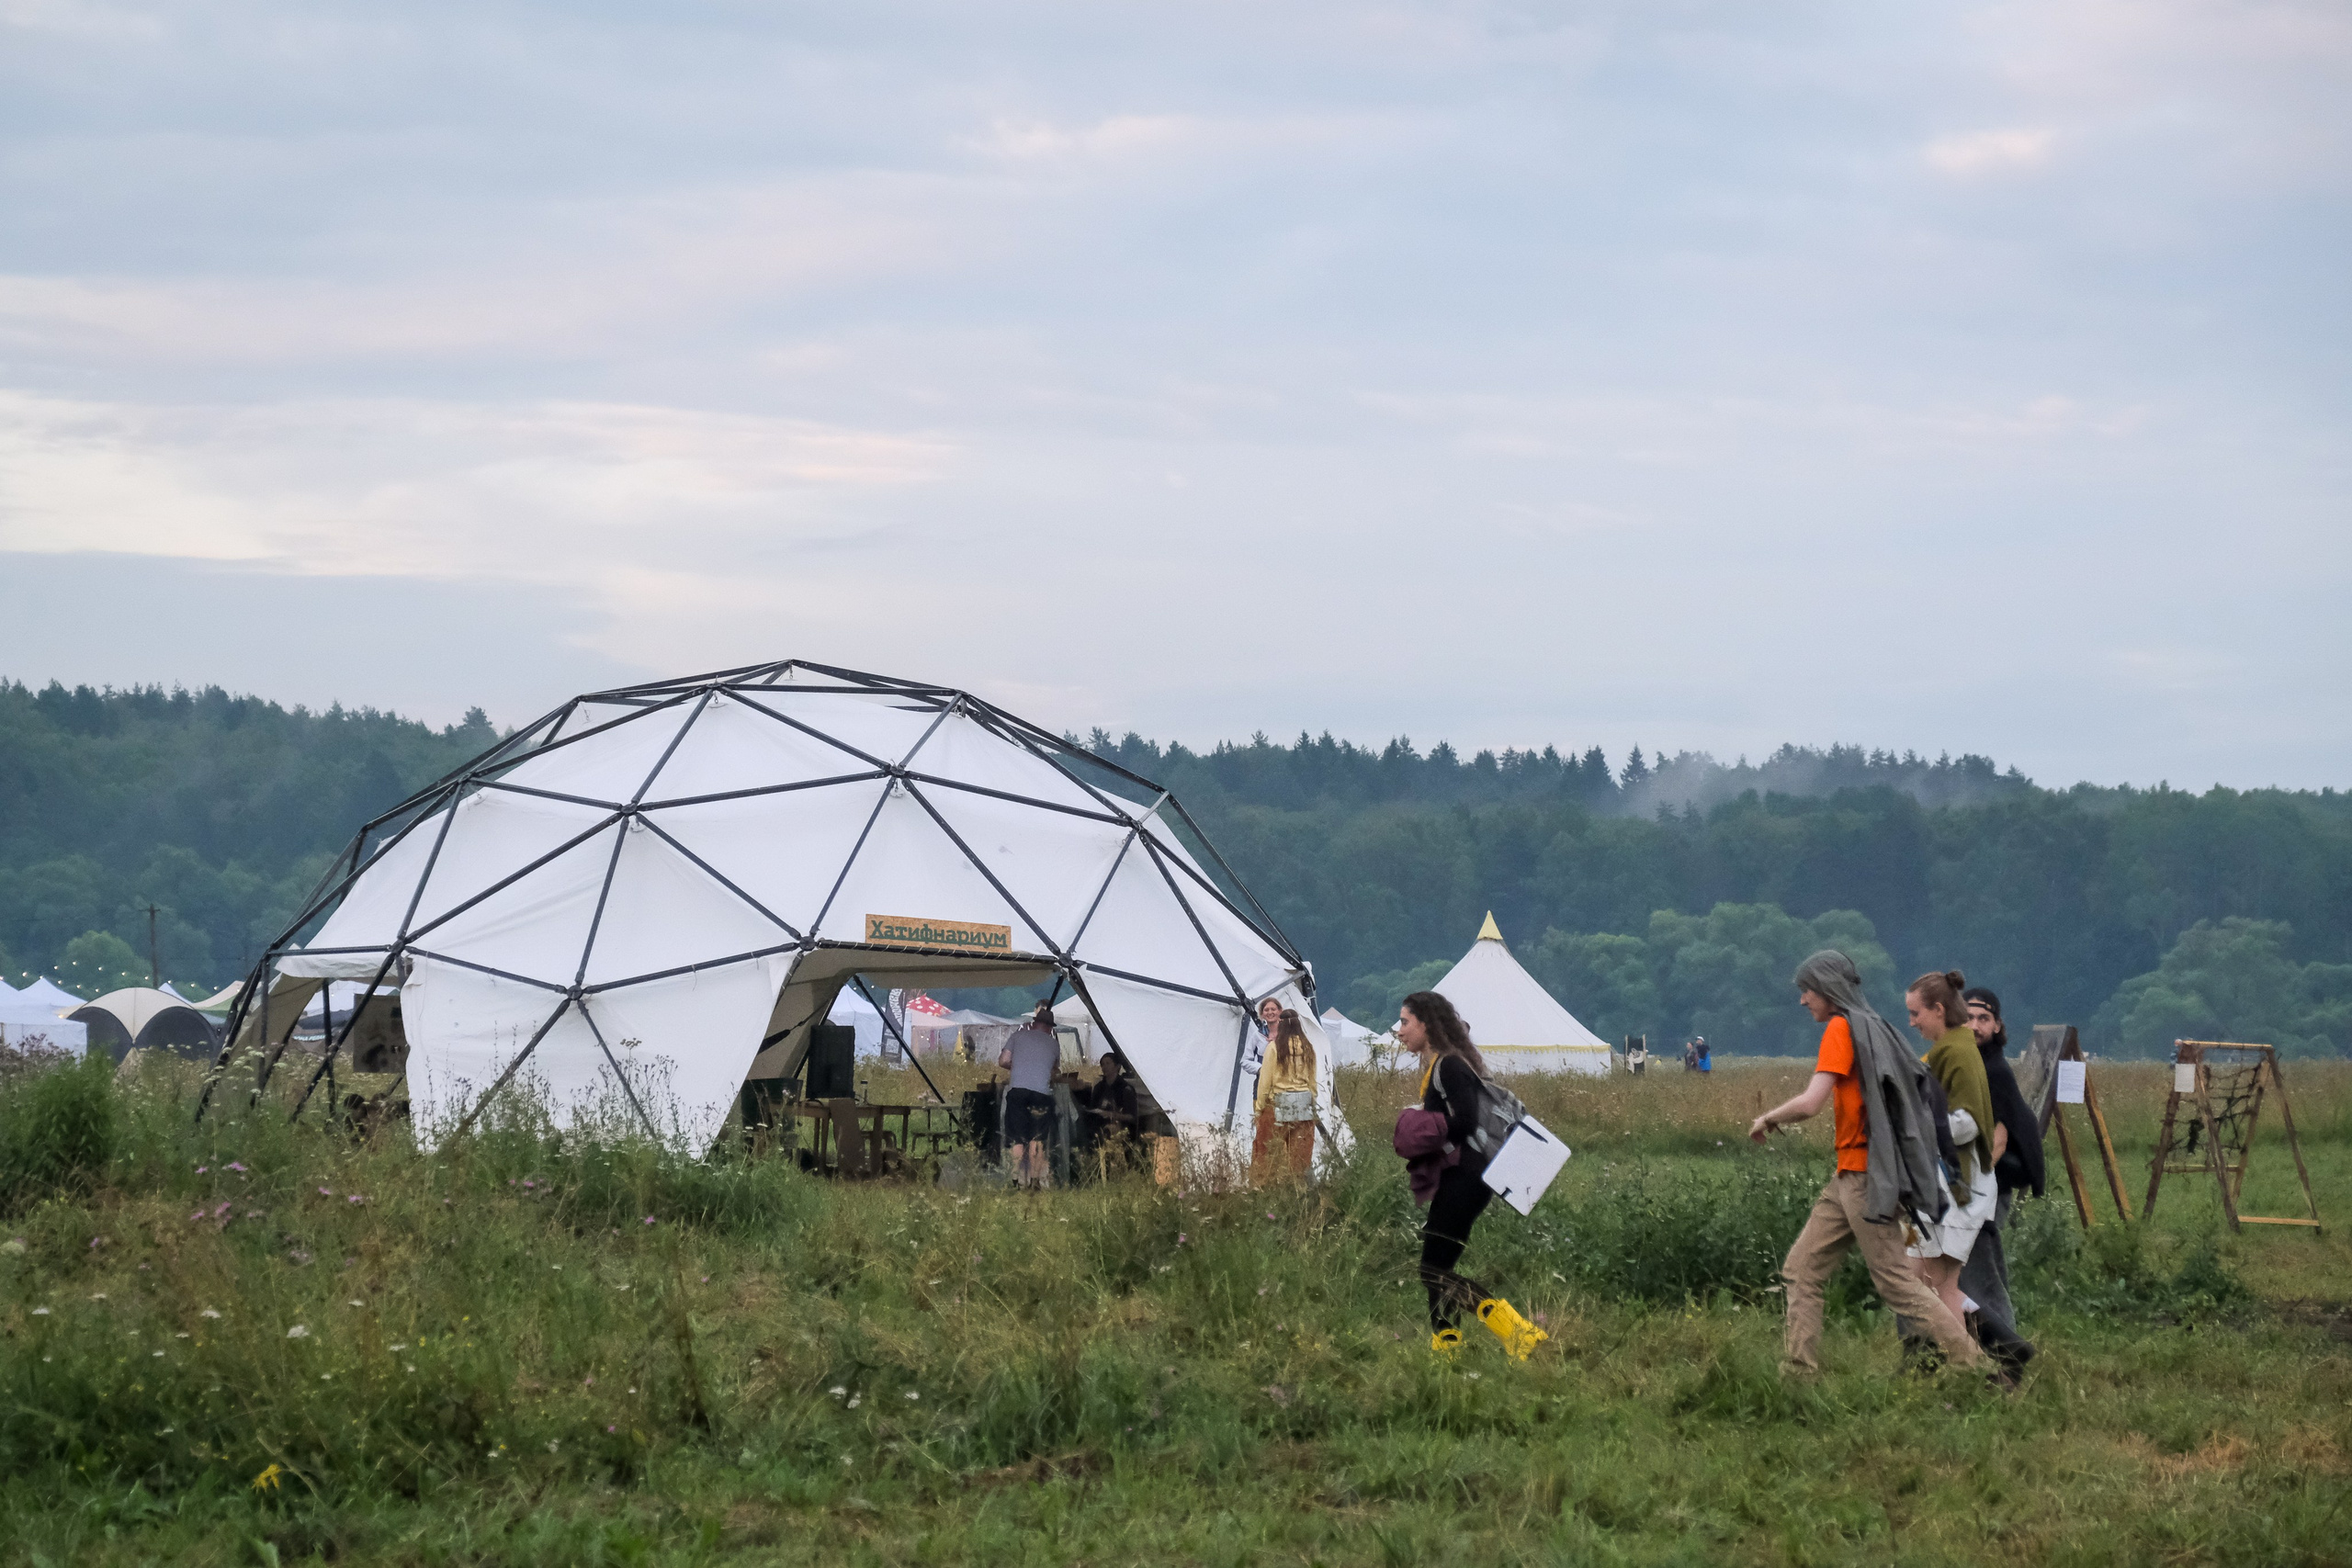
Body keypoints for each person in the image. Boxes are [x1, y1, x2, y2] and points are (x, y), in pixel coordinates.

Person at [1749, 951, 1985, 1378]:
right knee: (1801, 1270)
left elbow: (1811, 1103)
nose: (1803, 1000)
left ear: (1827, 989)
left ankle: (1973, 1364)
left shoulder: (1842, 1029)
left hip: (1864, 1178)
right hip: (1851, 1175)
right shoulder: (1876, 1027)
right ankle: (1799, 1374)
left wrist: (1768, 1118)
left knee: (1897, 1283)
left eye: (1807, 990)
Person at [1397, 990, 1499, 1347]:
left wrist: (1423, 1128)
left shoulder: (1450, 1065)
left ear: (1426, 1024)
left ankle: (1517, 1332)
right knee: (1437, 1268)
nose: (1399, 1030)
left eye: (1405, 1021)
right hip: (1462, 1178)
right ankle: (1448, 1345)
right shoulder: (1441, 1065)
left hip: (1467, 1178)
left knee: (1432, 1269)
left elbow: (1466, 1122)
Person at [1903, 970, 1999, 1334]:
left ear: (1939, 1010)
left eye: (1916, 1014)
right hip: (1944, 1189)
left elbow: (1968, 1123)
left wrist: (1915, 1124)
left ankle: (1978, 1365)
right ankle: (1999, 1356)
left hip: (1959, 1190)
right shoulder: (1949, 1049)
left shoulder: (1957, 1052)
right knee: (1921, 1282)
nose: (1912, 1022)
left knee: (1933, 1287)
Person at [1958, 986, 2041, 1372]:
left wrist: (1964, 1191)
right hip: (1974, 1187)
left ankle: (2010, 1357)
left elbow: (1997, 1140)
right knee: (1978, 1271)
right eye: (1970, 1017)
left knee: (1981, 1276)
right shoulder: (1968, 1063)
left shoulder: (1993, 1071)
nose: (1975, 1026)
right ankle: (1992, 1349)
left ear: (1997, 1026)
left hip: (1986, 1187)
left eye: (1984, 1019)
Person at [1250, 1008, 1319, 1184]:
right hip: (1304, 1103)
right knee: (1300, 1159)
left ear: (1281, 1024)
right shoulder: (1308, 1047)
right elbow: (1313, 1081)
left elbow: (1265, 1081)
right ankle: (1298, 1193)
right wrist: (1313, 1103)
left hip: (1277, 1103)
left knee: (1265, 1154)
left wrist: (1259, 1108)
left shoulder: (1274, 1048)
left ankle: (1264, 1190)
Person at [998, 1004, 1060, 1190]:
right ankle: (1035, 1181)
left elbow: (1003, 1061)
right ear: (1050, 1028)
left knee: (1017, 1138)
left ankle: (1016, 1181)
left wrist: (1016, 1068)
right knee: (1037, 1138)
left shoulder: (1017, 1036)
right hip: (1041, 1093)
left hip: (1018, 1092)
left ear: (1034, 1023)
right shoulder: (1054, 1044)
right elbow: (1055, 1070)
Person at [1084, 1051, 1143, 1159]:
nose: (1104, 1067)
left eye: (1108, 1063)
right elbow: (1093, 1109)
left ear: (1117, 1067)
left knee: (1104, 1134)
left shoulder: (1126, 1089)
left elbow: (1132, 1117)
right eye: (1102, 1064)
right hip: (1099, 1124)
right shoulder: (1099, 1088)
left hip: (1120, 1126)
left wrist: (1112, 1115)